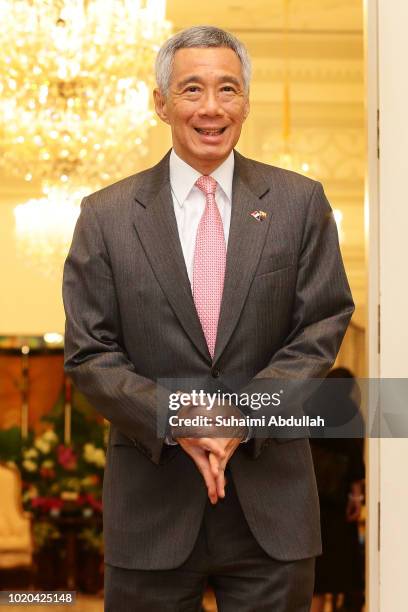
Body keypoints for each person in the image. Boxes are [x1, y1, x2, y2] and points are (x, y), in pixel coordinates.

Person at [62, 25, 355, 612]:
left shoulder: (300, 203)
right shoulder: (106, 215)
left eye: (229, 89)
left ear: (246, 101)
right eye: (192, 89)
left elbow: (321, 325)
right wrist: (180, 418)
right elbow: (90, 351)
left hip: (272, 507)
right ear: (161, 102)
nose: (212, 108)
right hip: (152, 505)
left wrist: (242, 416)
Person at [309, 368, 365, 612]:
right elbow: (355, 460)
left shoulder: (309, 405)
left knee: (316, 571)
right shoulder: (352, 412)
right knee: (341, 564)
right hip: (339, 500)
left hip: (312, 497)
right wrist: (357, 497)